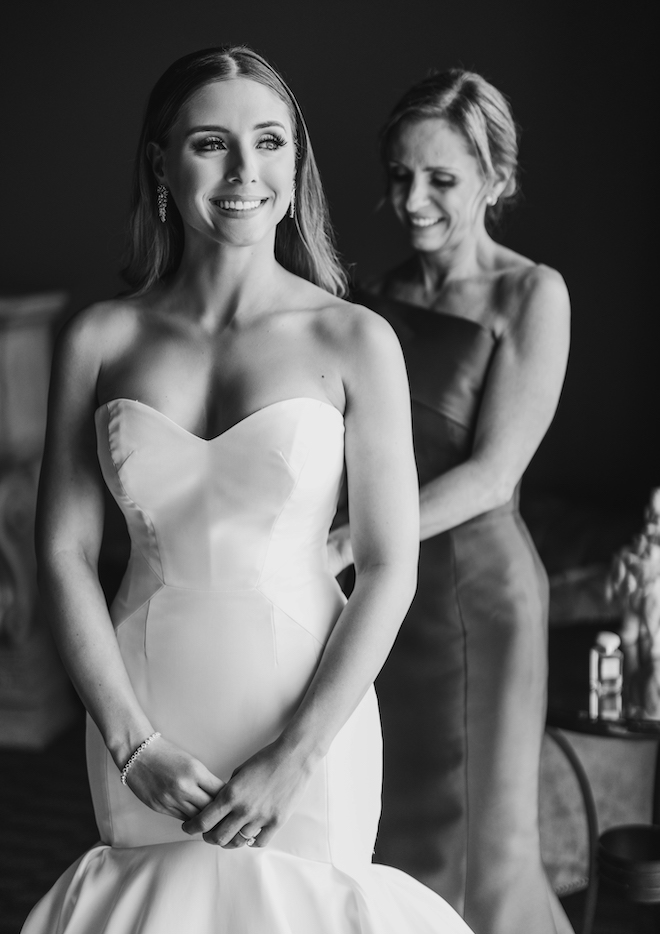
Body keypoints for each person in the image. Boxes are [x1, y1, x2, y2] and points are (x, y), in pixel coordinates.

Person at [21, 47, 473, 934]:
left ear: (295, 163)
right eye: (210, 144)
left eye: (270, 142)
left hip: (306, 708)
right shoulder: (99, 338)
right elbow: (63, 553)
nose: (245, 173)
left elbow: (388, 568)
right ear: (160, 164)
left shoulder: (355, 338)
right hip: (146, 708)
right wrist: (131, 742)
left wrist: (296, 757)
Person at [328, 70, 573, 934]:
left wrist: (350, 542)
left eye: (442, 180)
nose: (413, 200)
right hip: (390, 597)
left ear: (495, 181)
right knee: (397, 826)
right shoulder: (380, 297)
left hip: (479, 599)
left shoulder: (531, 295)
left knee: (482, 843)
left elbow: (494, 475)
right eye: (400, 176)